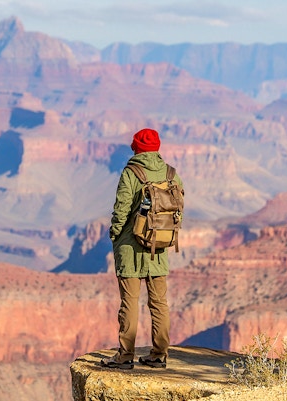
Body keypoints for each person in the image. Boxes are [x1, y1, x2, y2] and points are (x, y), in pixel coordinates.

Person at [101, 128, 183, 370]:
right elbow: (178, 209)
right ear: (156, 148)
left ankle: (125, 356)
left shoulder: (131, 172)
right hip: (158, 245)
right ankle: (159, 354)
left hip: (129, 247)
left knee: (130, 302)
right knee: (159, 302)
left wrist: (115, 234)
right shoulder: (171, 174)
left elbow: (122, 209)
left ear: (136, 147)